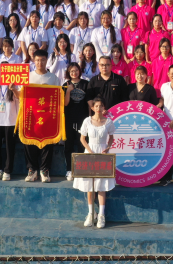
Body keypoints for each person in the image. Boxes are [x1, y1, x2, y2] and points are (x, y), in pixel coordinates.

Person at [74, 97, 116, 229]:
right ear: (92, 108)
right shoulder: (87, 121)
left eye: (101, 106)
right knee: (90, 186)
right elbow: (82, 138)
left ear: (104, 108)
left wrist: (107, 148)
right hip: (90, 154)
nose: (98, 108)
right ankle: (91, 213)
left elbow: (111, 138)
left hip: (103, 155)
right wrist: (89, 150)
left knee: (101, 185)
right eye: (96, 106)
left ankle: (102, 215)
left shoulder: (108, 122)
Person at [24, 50, 61, 183]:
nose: (40, 63)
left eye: (43, 60)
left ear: (46, 61)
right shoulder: (28, 77)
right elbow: (21, 96)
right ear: (34, 61)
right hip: (31, 115)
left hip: (47, 116)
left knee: (47, 142)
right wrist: (13, 90)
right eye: (37, 60)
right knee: (29, 141)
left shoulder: (53, 78)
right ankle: (32, 170)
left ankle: (45, 170)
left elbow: (58, 97)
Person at [63, 62, 91, 181]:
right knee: (68, 145)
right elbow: (65, 103)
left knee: (82, 144)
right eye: (72, 71)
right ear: (68, 73)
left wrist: (90, 117)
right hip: (69, 119)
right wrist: (68, 91)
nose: (74, 73)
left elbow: (89, 103)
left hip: (82, 119)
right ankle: (69, 170)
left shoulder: (86, 84)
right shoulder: (65, 84)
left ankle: (81, 169)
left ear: (79, 71)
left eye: (76, 70)